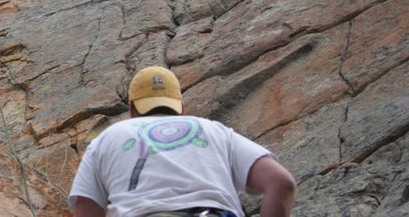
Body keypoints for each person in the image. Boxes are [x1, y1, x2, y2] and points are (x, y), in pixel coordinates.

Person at [69, 66, 296, 217]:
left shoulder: (108, 137)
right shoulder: (214, 130)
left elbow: (87, 208)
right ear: (181, 107)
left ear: (131, 109)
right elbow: (282, 182)